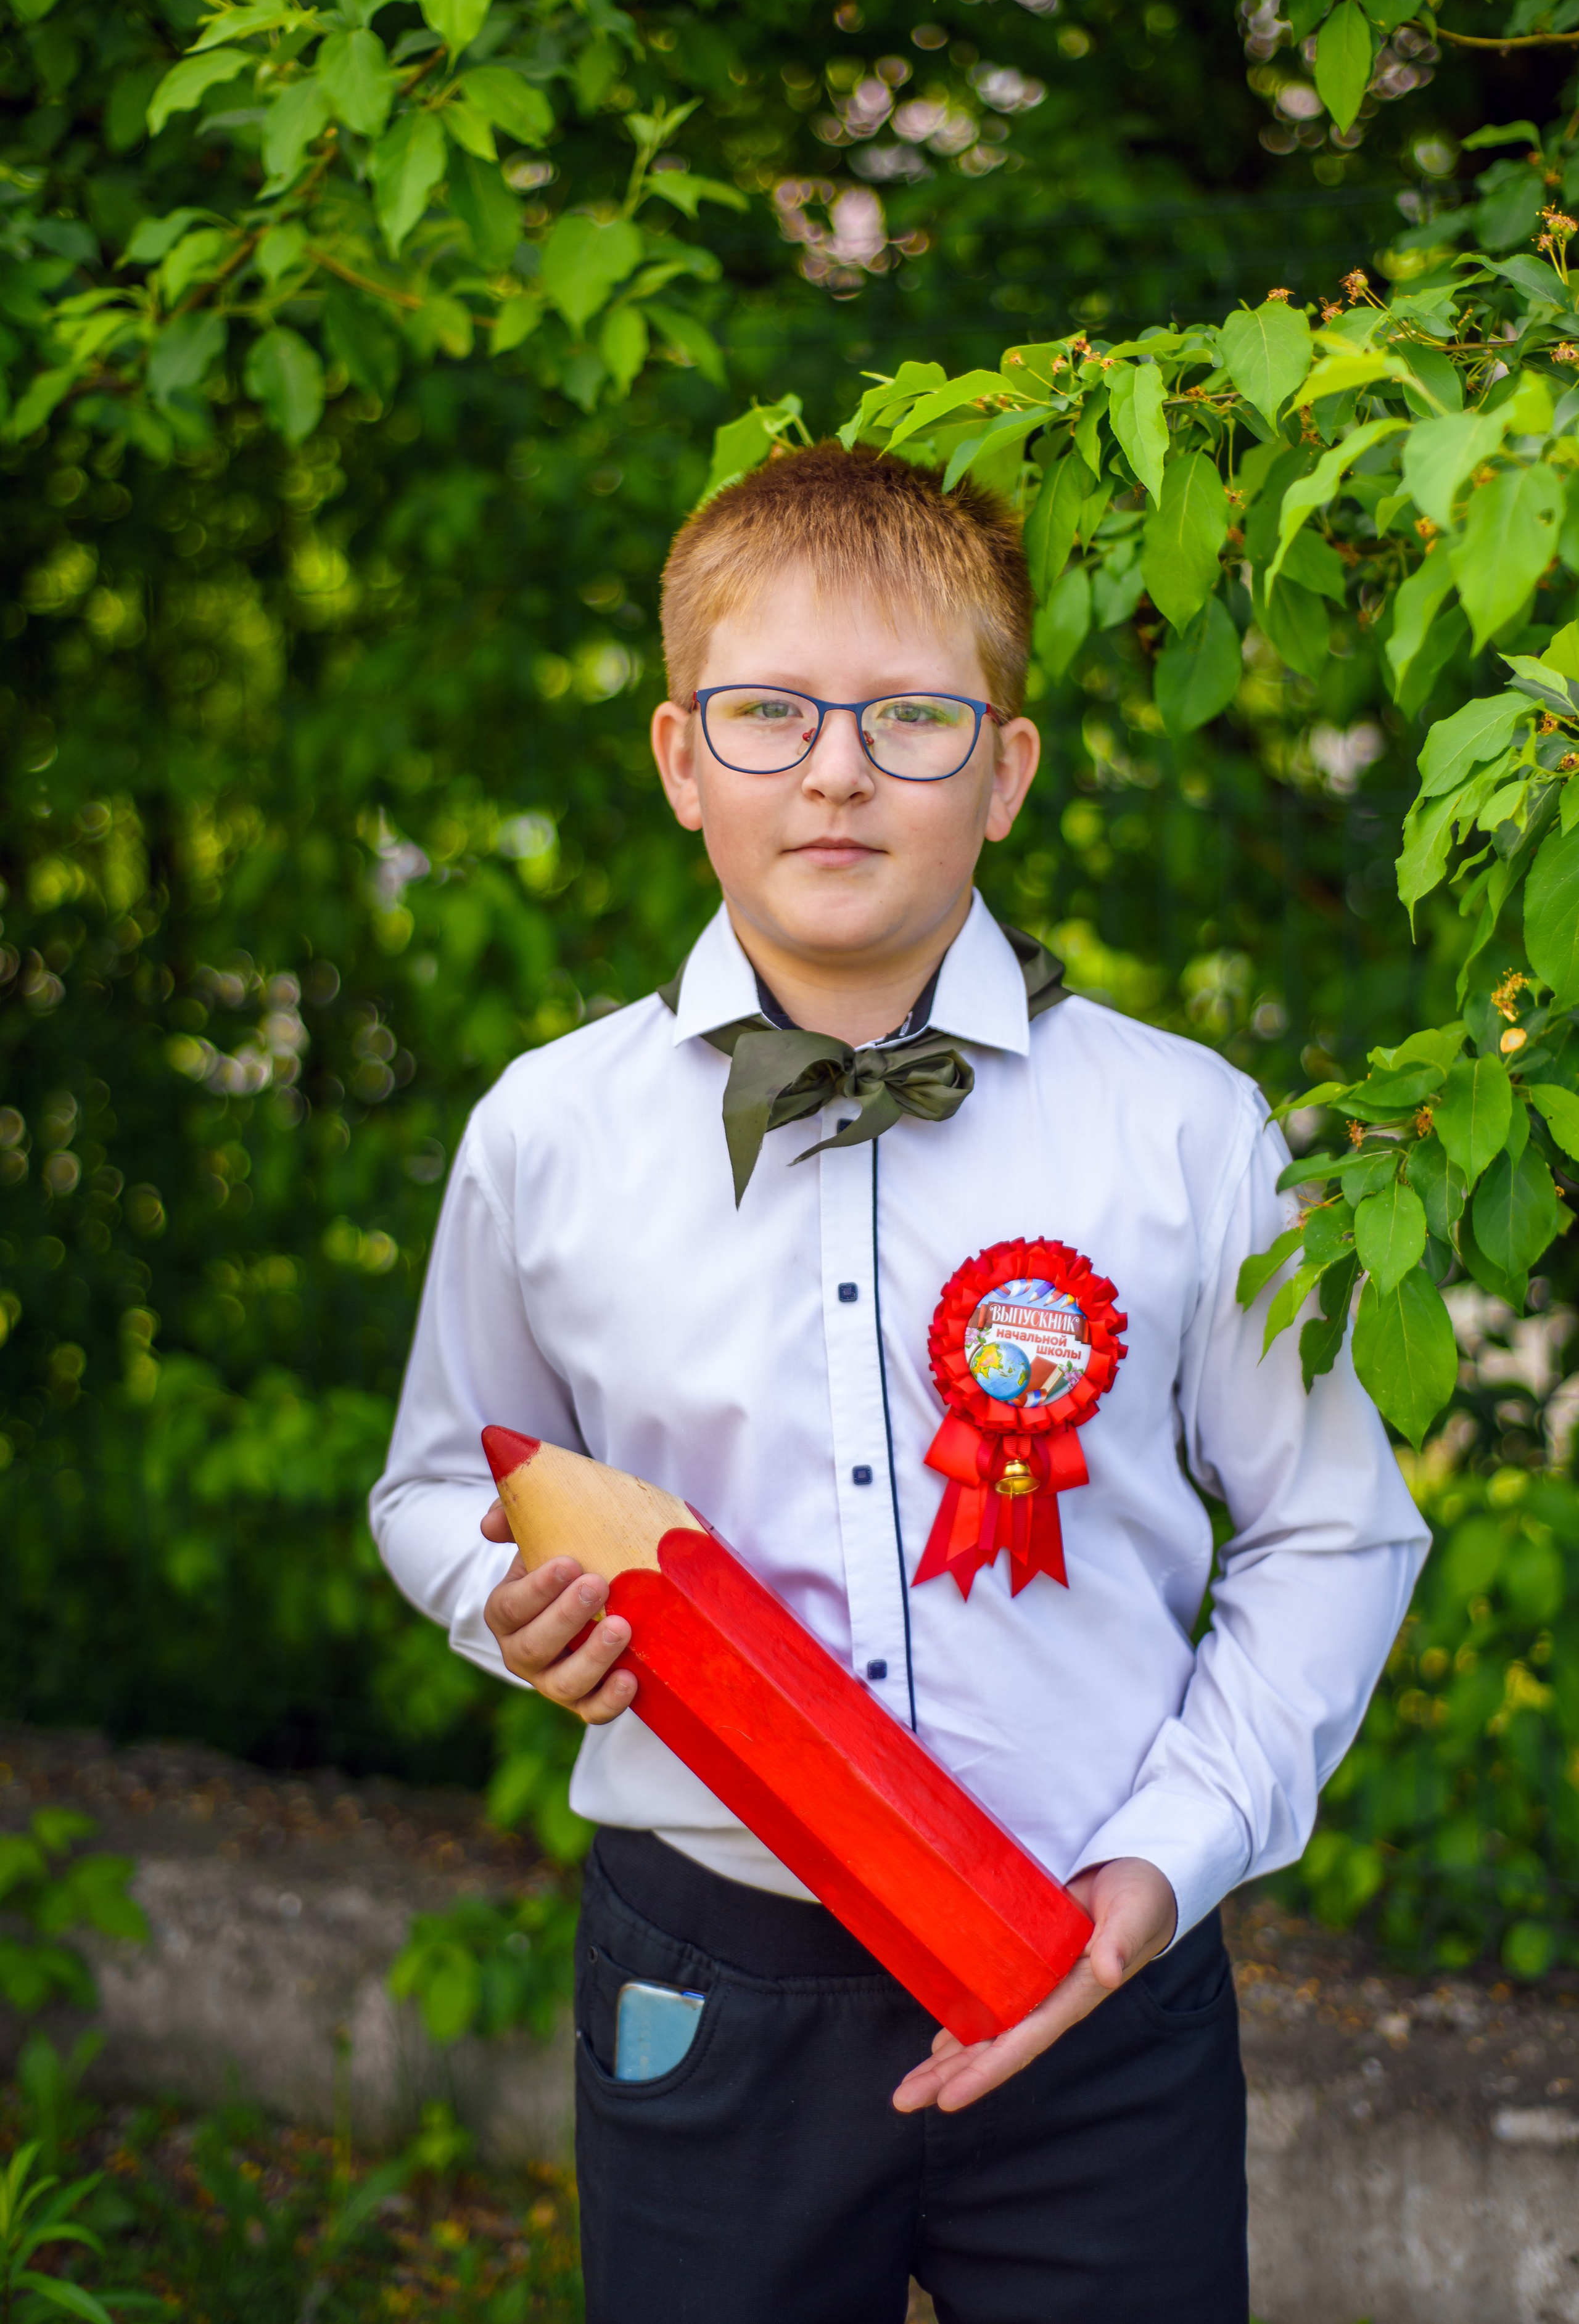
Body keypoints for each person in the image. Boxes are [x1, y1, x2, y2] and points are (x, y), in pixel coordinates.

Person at [370, 441, 1428, 2324]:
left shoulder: (1186, 1128)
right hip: (713, 1986)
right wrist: (499, 1602)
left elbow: (1334, 1529)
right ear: (681, 757)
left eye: (914, 717)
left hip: (1098, 1974)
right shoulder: (550, 1131)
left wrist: (1157, 1870)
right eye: (768, 713)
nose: (839, 767)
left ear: (1006, 771)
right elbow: (435, 1485)